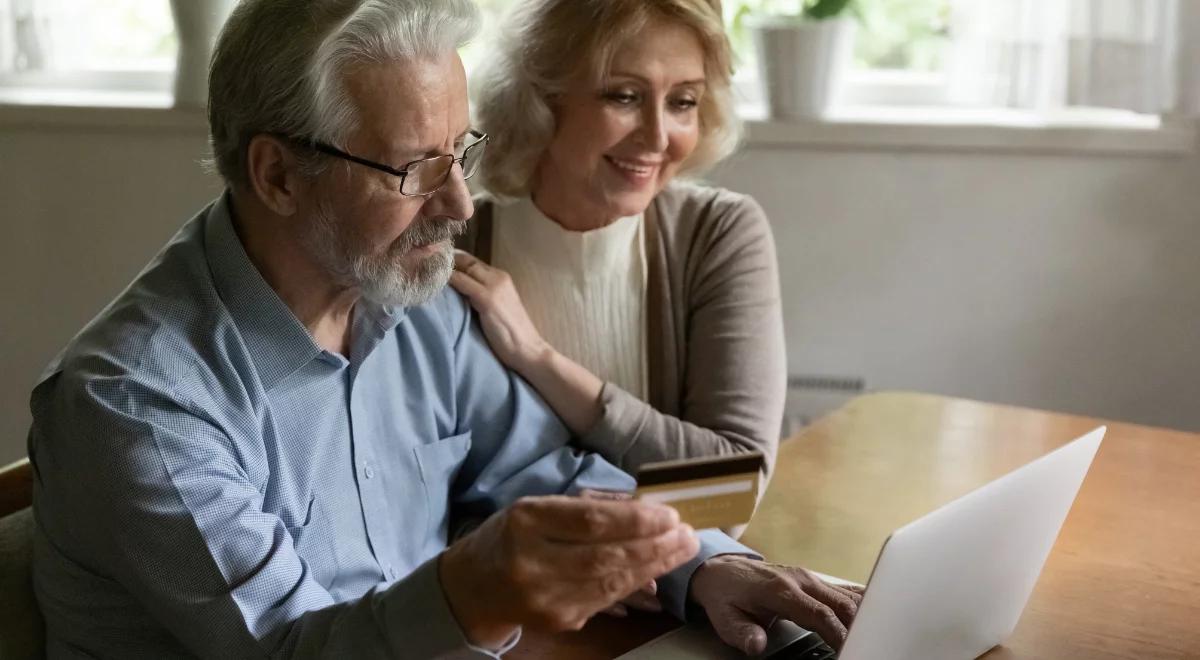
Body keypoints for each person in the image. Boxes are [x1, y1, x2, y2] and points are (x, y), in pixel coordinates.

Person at [27, 0, 859, 658]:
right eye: (415, 168)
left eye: (460, 154)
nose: (460, 204)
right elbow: (290, 650)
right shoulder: (137, 405)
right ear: (278, 175)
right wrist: (476, 590)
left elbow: (546, 470)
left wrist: (706, 565)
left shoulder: (411, 296)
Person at [452, 0, 786, 490]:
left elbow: (728, 489)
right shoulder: (455, 234)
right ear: (540, 100)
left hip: (684, 566)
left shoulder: (719, 233)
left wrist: (537, 358)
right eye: (625, 96)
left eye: (683, 102)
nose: (657, 136)